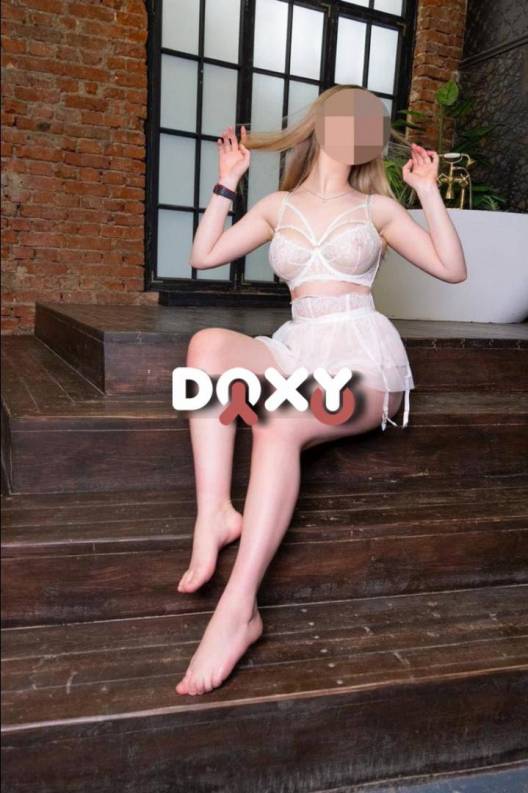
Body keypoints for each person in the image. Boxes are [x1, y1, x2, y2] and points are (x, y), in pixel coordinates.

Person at [175, 84, 466, 696]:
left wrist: (427, 190)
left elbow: (451, 268)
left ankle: (239, 608)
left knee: (278, 420)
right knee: (206, 347)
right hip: (297, 349)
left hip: (364, 362)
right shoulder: (278, 205)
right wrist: (227, 182)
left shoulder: (377, 209)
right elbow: (203, 255)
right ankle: (216, 513)